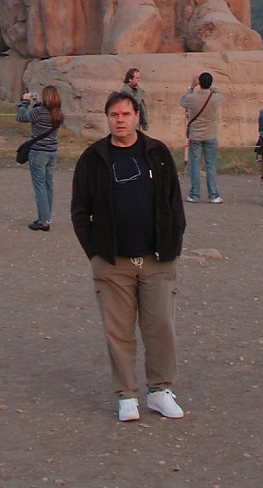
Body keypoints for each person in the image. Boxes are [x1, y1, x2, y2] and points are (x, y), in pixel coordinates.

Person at [71, 91, 186, 422]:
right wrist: (94, 251)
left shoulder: (158, 153)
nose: (120, 120)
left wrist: (174, 240)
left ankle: (160, 390)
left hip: (157, 257)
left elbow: (174, 202)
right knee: (118, 330)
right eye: (114, 115)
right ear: (107, 119)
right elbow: (80, 210)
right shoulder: (94, 158)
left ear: (138, 116)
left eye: (125, 114)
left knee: (160, 325)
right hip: (112, 260)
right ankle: (126, 395)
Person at [17, 85, 63, 232]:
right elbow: (43, 115)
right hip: (52, 153)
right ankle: (46, 217)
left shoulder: (39, 112)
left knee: (40, 187)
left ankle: (43, 222)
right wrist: (37, 103)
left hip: (38, 153)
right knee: (48, 185)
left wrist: (25, 101)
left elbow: (21, 116)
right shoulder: (59, 114)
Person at [180, 72, 224, 203]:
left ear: (199, 83)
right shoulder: (215, 98)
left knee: (195, 165)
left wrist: (192, 86)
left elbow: (183, 101)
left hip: (196, 136)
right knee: (211, 165)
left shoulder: (192, 97)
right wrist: (210, 87)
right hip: (211, 135)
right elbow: (220, 94)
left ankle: (194, 194)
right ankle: (213, 195)